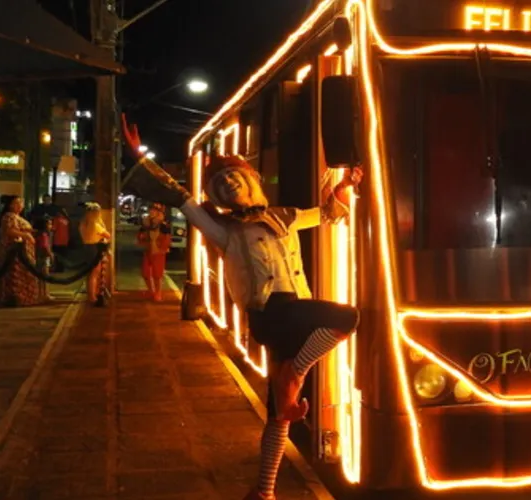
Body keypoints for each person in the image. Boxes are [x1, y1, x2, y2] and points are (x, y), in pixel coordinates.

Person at [122, 115, 361, 500]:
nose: (229, 184)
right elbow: (179, 198)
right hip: (268, 313)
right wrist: (139, 156)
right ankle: (294, 375)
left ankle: (263, 490)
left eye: (234, 177)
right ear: (218, 197)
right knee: (347, 316)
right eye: (221, 184)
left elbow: (329, 214)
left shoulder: (285, 217)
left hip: (295, 308)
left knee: (278, 416)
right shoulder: (224, 230)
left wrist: (346, 184)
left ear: (252, 182)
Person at [0, 196, 46, 307]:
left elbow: (22, 229)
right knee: (14, 276)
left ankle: (25, 298)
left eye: (21, 203)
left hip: (24, 251)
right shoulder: (9, 216)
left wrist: (34, 231)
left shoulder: (18, 217)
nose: (20, 205)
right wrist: (26, 235)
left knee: (26, 273)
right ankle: (14, 298)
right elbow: (10, 231)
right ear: (10, 205)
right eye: (17, 203)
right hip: (14, 251)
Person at [137, 202, 171, 301]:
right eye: (150, 210)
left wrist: (161, 247)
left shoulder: (163, 225)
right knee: (145, 273)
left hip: (159, 251)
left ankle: (158, 292)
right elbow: (140, 235)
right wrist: (142, 238)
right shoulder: (146, 223)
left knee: (157, 273)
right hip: (148, 249)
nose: (151, 212)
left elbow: (167, 238)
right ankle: (151, 291)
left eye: (154, 210)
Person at [79, 203, 111, 306]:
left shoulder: (83, 224)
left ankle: (90, 295)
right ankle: (92, 296)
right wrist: (102, 223)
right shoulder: (95, 225)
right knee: (94, 274)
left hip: (86, 247)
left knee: (90, 274)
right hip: (94, 248)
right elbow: (107, 234)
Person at [33, 216, 54, 301]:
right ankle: (45, 294)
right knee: (45, 276)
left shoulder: (37, 234)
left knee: (40, 277)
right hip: (43, 257)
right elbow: (45, 246)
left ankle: (41, 294)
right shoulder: (44, 235)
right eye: (49, 224)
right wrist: (51, 254)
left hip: (38, 256)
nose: (51, 226)